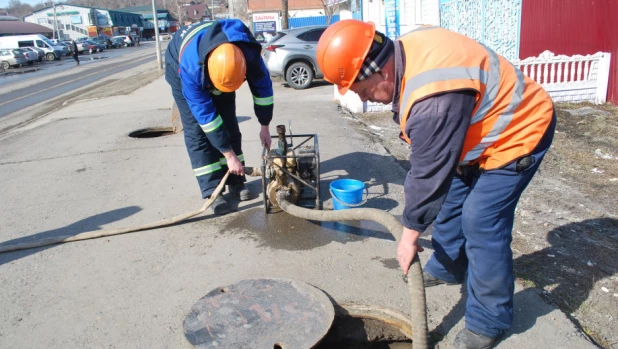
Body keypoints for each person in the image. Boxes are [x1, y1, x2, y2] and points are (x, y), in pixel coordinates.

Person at [316, 20, 555, 349]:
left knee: (480, 220)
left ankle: (489, 320)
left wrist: (409, 236)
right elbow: (433, 168)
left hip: (519, 131)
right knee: (451, 198)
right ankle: (447, 266)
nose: (369, 100)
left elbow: (428, 173)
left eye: (363, 91)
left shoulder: (434, 100)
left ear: (380, 72)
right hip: (473, 133)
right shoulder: (405, 54)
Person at [165, 19, 274, 215]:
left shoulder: (249, 55)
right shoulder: (191, 69)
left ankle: (236, 181)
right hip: (179, 63)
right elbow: (206, 117)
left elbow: (263, 91)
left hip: (219, 66)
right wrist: (229, 155)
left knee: (229, 122)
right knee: (197, 131)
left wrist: (264, 125)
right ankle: (213, 190)